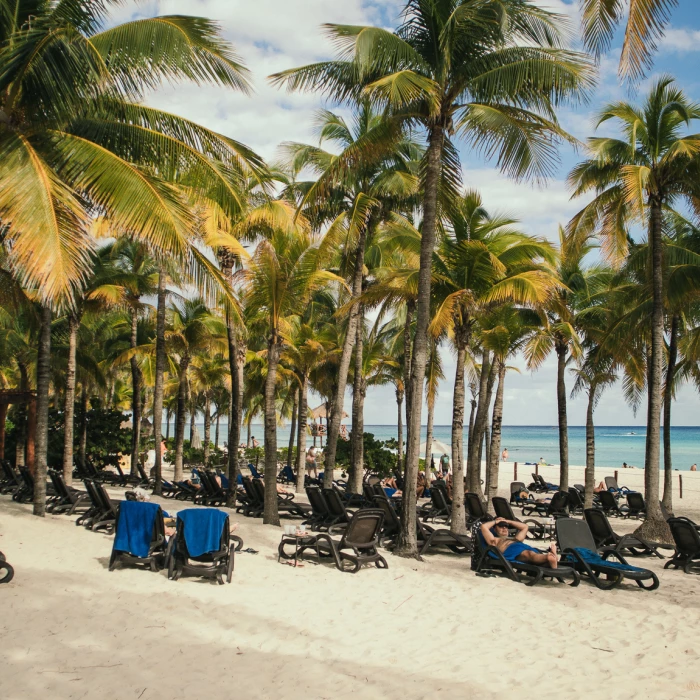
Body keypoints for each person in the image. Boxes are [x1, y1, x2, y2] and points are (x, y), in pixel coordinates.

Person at [480, 517, 558, 568]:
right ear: (494, 529)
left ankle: (550, 559)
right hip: (512, 551)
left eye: (506, 526)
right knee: (529, 554)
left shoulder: (515, 538)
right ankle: (549, 556)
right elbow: (483, 527)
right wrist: (496, 521)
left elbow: (525, 527)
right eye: (500, 526)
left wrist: (507, 521)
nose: (504, 528)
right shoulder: (494, 540)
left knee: (532, 553)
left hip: (522, 546)